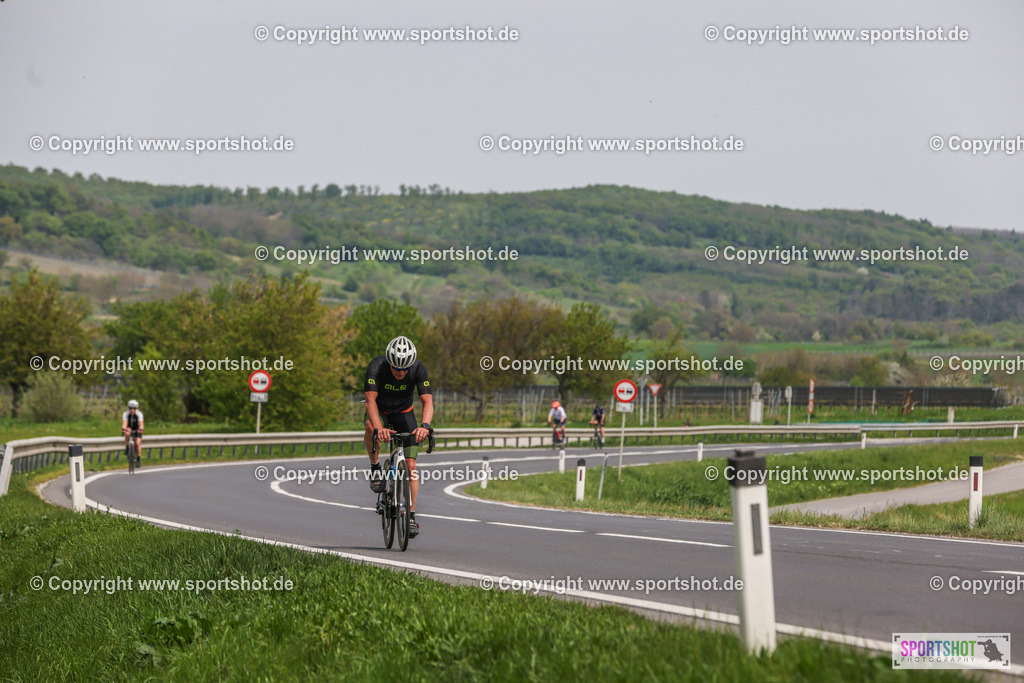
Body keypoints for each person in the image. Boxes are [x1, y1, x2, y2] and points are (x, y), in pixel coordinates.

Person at [364, 335, 433, 538]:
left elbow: (427, 402)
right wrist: (379, 428)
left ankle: (410, 516)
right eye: (396, 368)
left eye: (404, 369)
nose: (401, 372)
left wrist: (425, 426)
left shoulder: (418, 369)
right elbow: (370, 401)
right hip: (381, 412)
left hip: (405, 414)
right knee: (370, 426)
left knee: (410, 467)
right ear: (389, 362)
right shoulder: (376, 366)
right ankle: (376, 468)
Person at [121, 399, 144, 466]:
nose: (132, 410)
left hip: (137, 428)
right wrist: (124, 428)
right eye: (130, 408)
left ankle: (138, 459)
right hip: (130, 427)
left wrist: (140, 429)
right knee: (127, 433)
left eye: (134, 408)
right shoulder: (126, 413)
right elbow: (124, 423)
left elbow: (141, 424)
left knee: (137, 443)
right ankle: (127, 448)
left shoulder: (139, 414)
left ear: (136, 408)